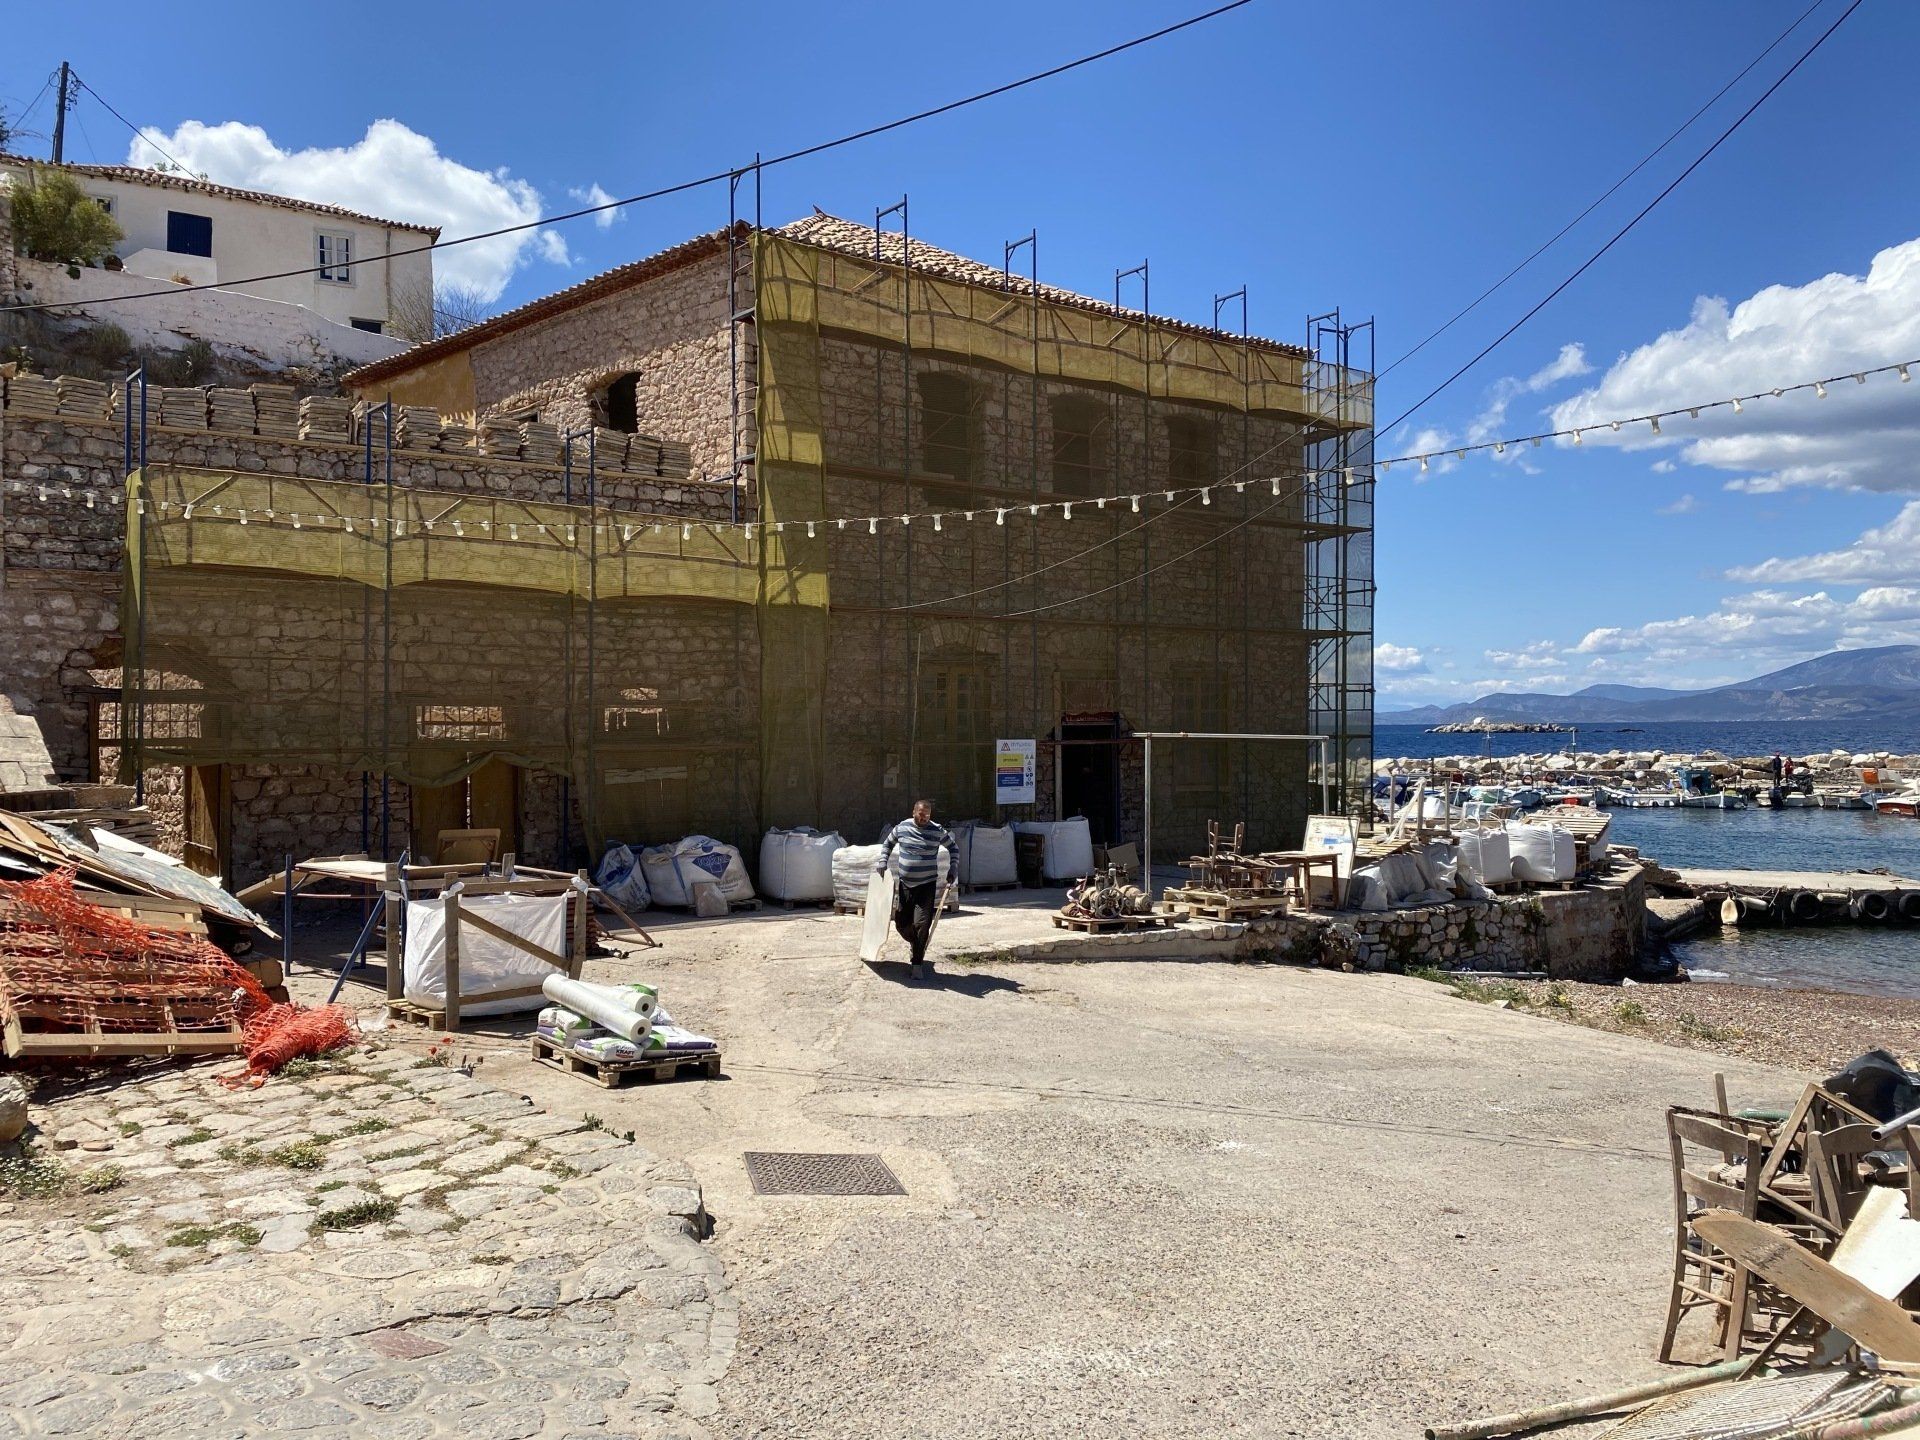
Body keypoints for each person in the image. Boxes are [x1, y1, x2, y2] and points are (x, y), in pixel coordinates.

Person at [876, 799, 952, 977]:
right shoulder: (902, 828)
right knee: (901, 924)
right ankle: (915, 943)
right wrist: (882, 861)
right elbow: (888, 844)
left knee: (922, 924)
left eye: (927, 814)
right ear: (913, 812)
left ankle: (917, 963)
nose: (924, 817)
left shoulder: (937, 830)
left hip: (927, 885)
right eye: (921, 813)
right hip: (905, 885)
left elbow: (953, 848)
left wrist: (953, 867)